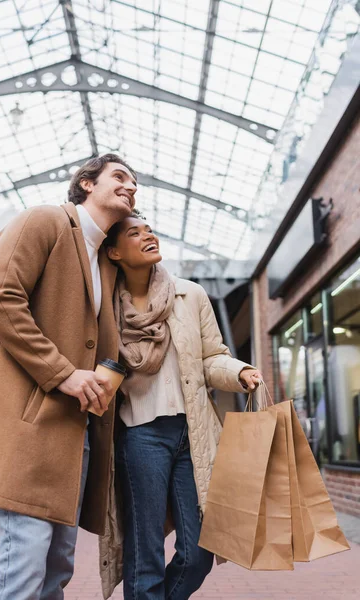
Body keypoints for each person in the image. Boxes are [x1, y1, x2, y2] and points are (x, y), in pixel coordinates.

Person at [0, 154, 137, 599]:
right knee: (21, 567)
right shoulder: (43, 221)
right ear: (85, 183)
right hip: (31, 432)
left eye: (135, 182)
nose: (130, 186)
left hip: (74, 436)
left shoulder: (104, 260)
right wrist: (64, 374)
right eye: (119, 177)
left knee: (56, 570)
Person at [99, 212, 263, 600]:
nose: (148, 236)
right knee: (146, 550)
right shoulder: (104, 307)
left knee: (199, 551)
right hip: (140, 436)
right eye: (134, 233)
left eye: (150, 229)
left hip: (195, 435)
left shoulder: (190, 295)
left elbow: (212, 357)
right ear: (114, 252)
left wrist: (238, 372)